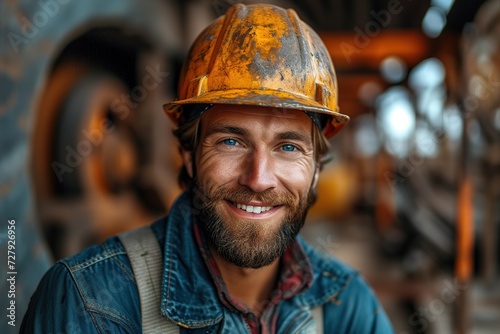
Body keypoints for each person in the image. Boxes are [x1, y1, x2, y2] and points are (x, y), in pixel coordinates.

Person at [21, 3, 394, 333]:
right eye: (231, 141)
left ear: (315, 170)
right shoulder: (89, 302)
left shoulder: (347, 304)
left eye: (288, 146)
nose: (259, 179)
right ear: (188, 154)